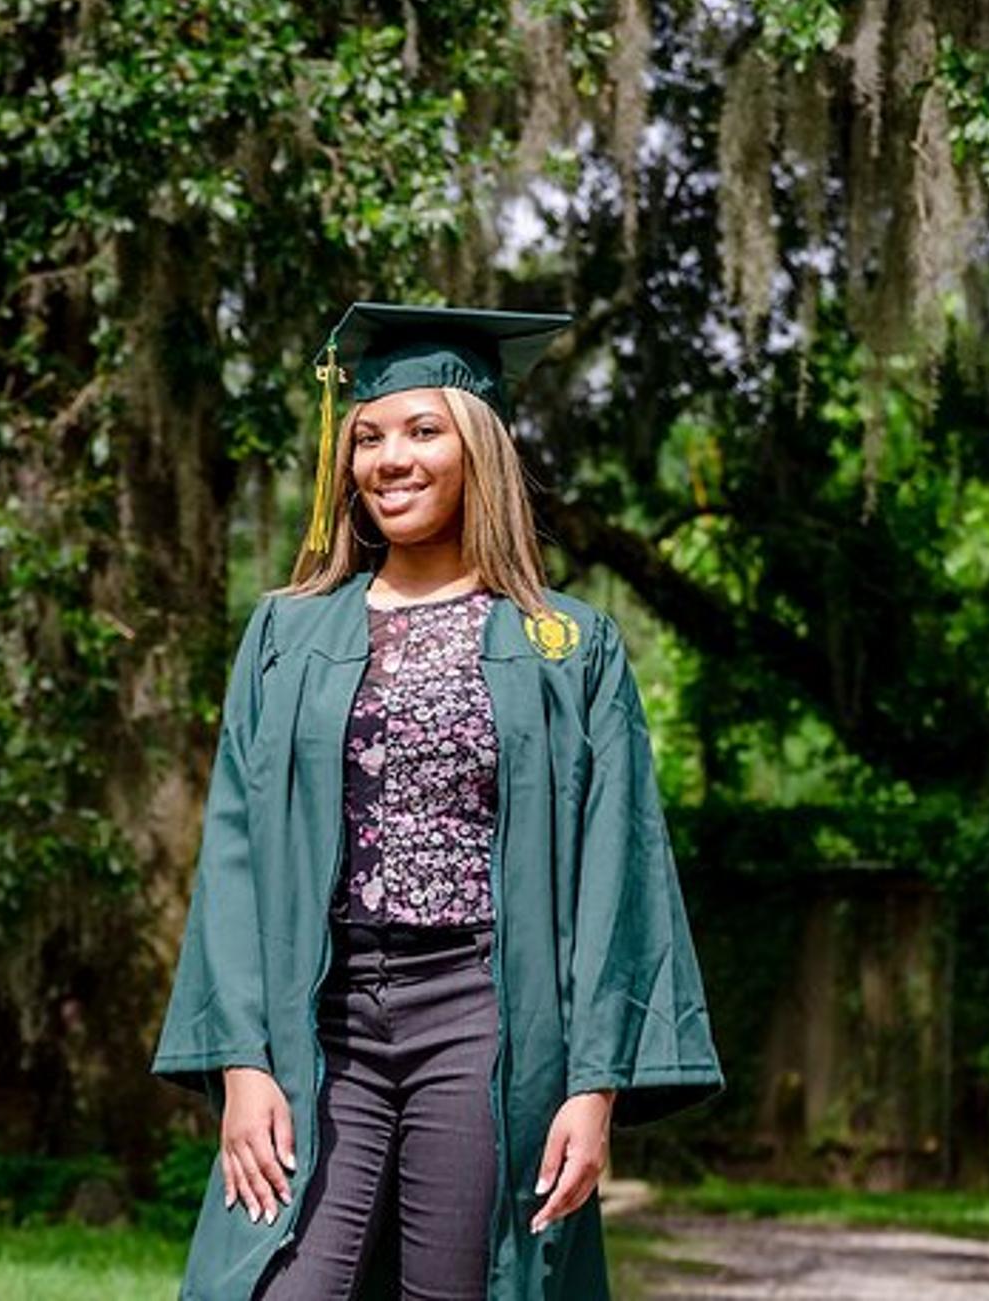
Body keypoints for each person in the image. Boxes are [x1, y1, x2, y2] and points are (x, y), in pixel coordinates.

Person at [152, 301, 724, 1301]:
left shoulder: (568, 647)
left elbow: (615, 874)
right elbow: (233, 853)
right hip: (316, 1020)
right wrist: (242, 1063)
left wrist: (591, 1087)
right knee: (283, 1283)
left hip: (483, 1014)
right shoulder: (286, 638)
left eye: (422, 431)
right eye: (367, 437)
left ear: (480, 452)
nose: (388, 459)